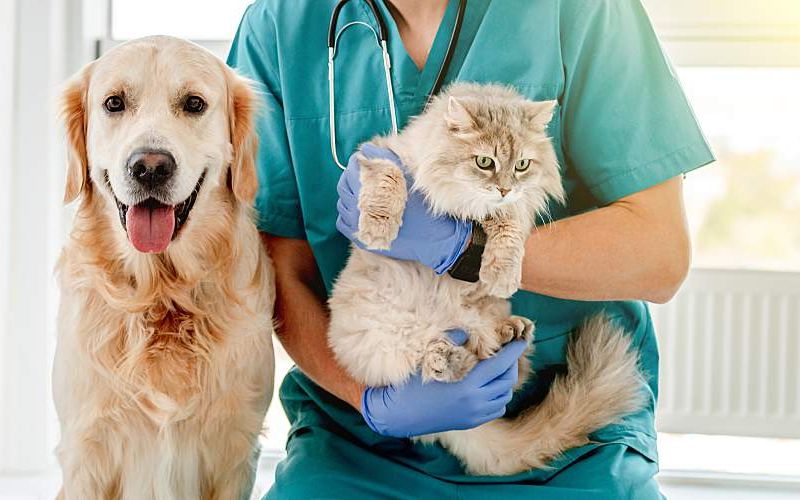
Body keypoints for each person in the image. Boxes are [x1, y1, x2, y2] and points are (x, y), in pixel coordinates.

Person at [227, 0, 714, 498]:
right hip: (355, 437)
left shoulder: (583, 10)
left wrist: (469, 249)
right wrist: (373, 401)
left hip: (568, 446)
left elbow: (660, 256)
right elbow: (279, 271)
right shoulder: (281, 24)